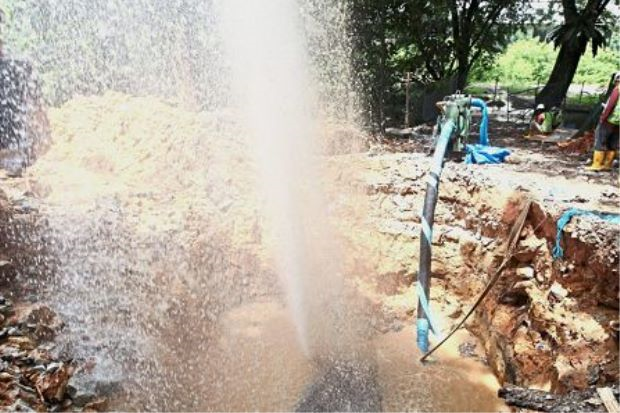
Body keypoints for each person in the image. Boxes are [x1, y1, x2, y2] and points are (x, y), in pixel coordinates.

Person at [588, 72, 620, 171]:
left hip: (610, 120)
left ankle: (596, 165)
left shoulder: (617, 89)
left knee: (600, 141)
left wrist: (603, 117)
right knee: (613, 142)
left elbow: (610, 105)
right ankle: (607, 165)